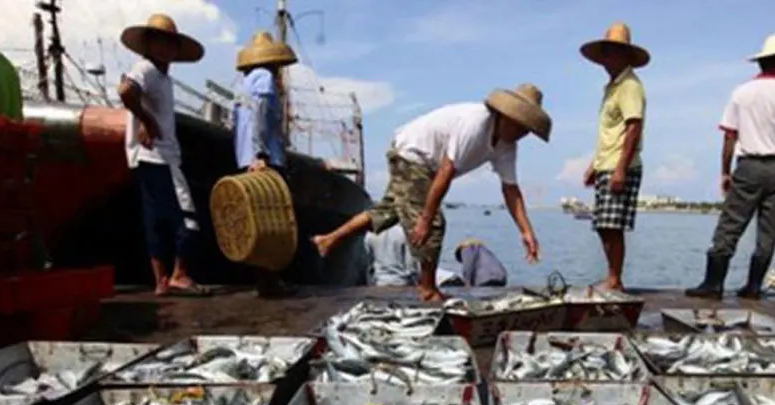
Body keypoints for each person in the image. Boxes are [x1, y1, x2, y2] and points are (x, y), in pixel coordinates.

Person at [312, 84, 551, 302]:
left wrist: (526, 231)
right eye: (520, 126)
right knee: (434, 224)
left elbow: (510, 189)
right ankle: (427, 289)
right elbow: (445, 172)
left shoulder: (508, 147)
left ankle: (328, 239)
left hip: (422, 161)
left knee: (387, 213)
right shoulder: (477, 124)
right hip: (413, 154)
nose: (522, 133)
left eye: (527, 130)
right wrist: (425, 219)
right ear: (505, 116)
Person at [686, 33, 775, 300]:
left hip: (748, 165)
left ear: (762, 62)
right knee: (768, 230)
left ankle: (713, 284)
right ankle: (754, 286)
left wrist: (725, 172)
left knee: (730, 226)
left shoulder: (741, 93)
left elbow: (730, 136)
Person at [118, 14, 208, 297]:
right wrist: (146, 119)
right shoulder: (146, 70)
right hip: (159, 156)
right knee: (187, 217)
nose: (167, 48)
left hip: (146, 157)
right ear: (149, 44)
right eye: (161, 41)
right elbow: (126, 91)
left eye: (170, 43)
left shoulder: (160, 77)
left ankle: (161, 281)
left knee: (155, 219)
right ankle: (180, 274)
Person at [581, 23, 648, 292]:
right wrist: (594, 165)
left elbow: (633, 127)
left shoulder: (629, 86)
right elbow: (610, 132)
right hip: (606, 163)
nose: (607, 57)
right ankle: (612, 276)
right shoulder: (612, 87)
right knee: (603, 225)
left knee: (612, 225)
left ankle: (614, 279)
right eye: (606, 51)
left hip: (621, 165)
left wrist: (620, 168)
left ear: (624, 56)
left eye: (612, 52)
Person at [232, 30, 297, 297]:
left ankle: (264, 278)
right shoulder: (265, 79)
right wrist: (261, 153)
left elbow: (236, 123)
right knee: (272, 219)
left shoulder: (243, 83)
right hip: (264, 158)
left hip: (244, 157)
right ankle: (270, 279)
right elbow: (260, 113)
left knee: (254, 220)